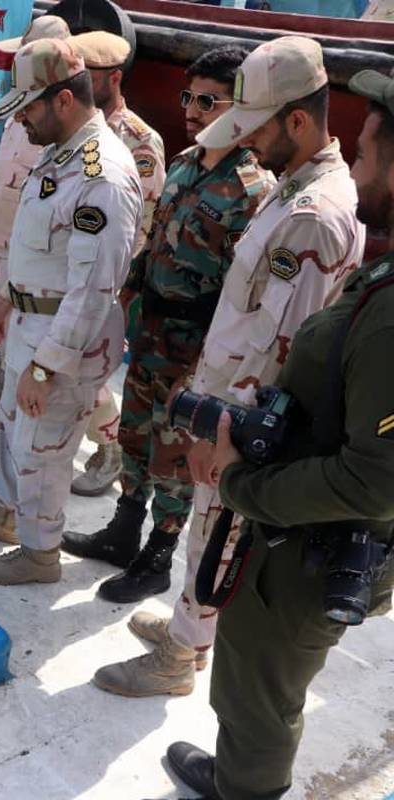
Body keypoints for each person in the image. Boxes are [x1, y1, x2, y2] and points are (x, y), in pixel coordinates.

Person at [92, 36, 364, 698]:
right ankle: (193, 631)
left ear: (296, 119)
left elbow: (281, 351)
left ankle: (178, 658)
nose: (247, 140)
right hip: (223, 393)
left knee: (216, 531)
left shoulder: (311, 216)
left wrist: (223, 433)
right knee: (211, 527)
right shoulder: (295, 188)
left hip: (242, 419)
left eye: (256, 126)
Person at [163, 67, 394, 800]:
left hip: (308, 541)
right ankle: (239, 775)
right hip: (295, 517)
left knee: (261, 693)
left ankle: (247, 786)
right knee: (249, 682)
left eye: (366, 155)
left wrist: (241, 480)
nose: (357, 169)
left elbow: (376, 477)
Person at [61, 48, 276, 614]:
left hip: (195, 346)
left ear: (241, 107)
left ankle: (158, 556)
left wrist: (211, 368)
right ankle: (123, 529)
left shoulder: (253, 188)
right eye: (188, 97)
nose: (192, 110)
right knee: (135, 435)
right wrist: (126, 295)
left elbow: (246, 294)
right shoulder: (184, 163)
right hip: (151, 331)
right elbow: (155, 239)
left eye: (208, 101)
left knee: (176, 455)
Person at [0, 38, 142, 583]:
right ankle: (6, 512)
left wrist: (45, 365)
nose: (20, 120)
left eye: (27, 108)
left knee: (44, 450)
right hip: (31, 324)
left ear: (63, 100)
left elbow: (94, 289)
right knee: (14, 429)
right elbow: (39, 242)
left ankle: (40, 553)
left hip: (64, 340)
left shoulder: (101, 176)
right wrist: (7, 297)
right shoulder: (61, 151)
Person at [0, 15, 73, 472]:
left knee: (20, 321)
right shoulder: (20, 110)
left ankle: (12, 390)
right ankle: (0, 376)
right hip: (0, 228)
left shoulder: (58, 127)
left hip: (27, 243)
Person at [66, 30, 168, 497]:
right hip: (69, 267)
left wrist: (120, 288)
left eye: (88, 75)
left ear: (114, 78)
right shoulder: (72, 125)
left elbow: (144, 225)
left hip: (109, 277)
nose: (78, 84)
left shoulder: (140, 141)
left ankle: (109, 447)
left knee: (88, 371)